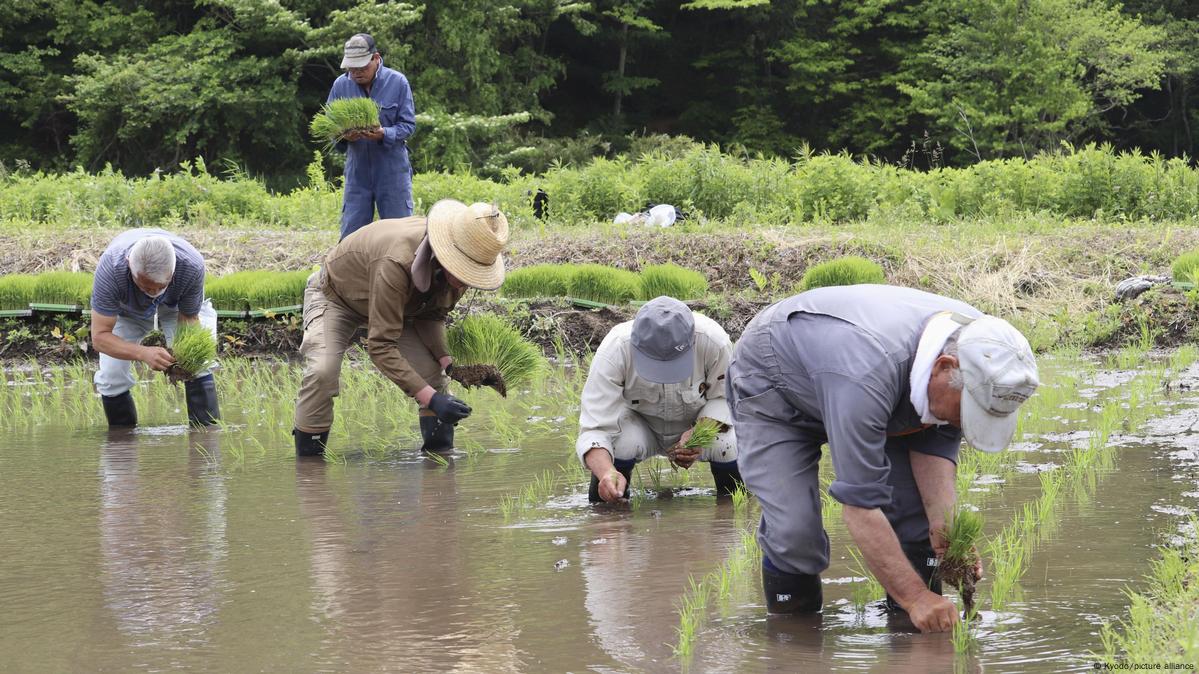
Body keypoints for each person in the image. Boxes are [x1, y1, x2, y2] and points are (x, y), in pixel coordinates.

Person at [726, 284, 1039, 633]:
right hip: (776, 382)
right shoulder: (865, 372)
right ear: (944, 367)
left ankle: (912, 639)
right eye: (968, 412)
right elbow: (860, 505)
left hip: (874, 385)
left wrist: (946, 529)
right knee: (795, 532)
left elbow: (936, 439)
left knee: (916, 521)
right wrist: (916, 598)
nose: (966, 424)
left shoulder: (981, 347)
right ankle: (794, 640)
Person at [292, 200, 509, 457]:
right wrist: (432, 400)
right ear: (447, 252)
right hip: (338, 298)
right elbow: (381, 346)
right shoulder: (396, 261)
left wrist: (451, 365)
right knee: (322, 371)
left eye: (472, 273)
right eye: (464, 270)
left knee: (433, 375)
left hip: (401, 307)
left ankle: (439, 464)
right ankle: (309, 472)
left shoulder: (458, 273)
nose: (464, 280)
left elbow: (431, 316)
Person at [577, 296, 742, 502]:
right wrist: (605, 473)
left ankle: (732, 514)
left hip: (696, 423)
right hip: (641, 427)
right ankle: (609, 516)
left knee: (729, 443)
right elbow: (595, 428)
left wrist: (700, 432)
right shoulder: (615, 349)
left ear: (691, 342)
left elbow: (728, 399)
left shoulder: (714, 341)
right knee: (618, 442)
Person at [91, 229, 220, 427]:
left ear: (173, 272)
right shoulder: (111, 269)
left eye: (161, 286)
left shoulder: (191, 266)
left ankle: (205, 443)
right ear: (129, 267)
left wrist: (183, 357)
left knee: (198, 362)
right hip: (128, 309)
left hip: (176, 305)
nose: (154, 293)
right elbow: (100, 337)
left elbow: (188, 320)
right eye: (147, 287)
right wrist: (143, 353)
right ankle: (121, 445)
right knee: (111, 376)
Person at [329, 33, 417, 240]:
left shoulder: (398, 82)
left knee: (400, 234)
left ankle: (402, 273)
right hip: (357, 171)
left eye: (362, 67)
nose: (356, 73)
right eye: (352, 68)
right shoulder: (340, 86)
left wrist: (383, 133)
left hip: (392, 169)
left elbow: (408, 126)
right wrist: (343, 136)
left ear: (376, 58)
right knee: (352, 233)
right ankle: (349, 272)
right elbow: (330, 128)